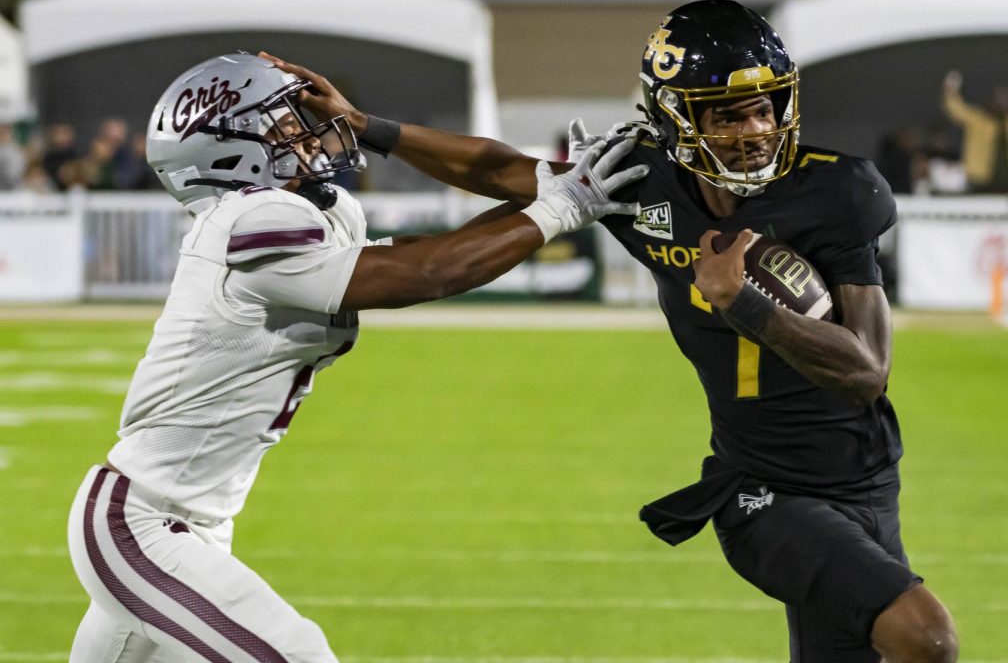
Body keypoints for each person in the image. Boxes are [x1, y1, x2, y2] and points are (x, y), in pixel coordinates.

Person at [269, 0, 958, 663]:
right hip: (762, 493)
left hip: (868, 482)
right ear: (671, 119)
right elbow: (499, 170)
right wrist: (364, 125)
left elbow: (866, 371)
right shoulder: (641, 182)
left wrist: (742, 303)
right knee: (924, 637)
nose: (750, 131)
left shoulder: (839, 191)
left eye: (761, 107)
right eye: (723, 116)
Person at [66, 52, 645, 661]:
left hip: (188, 524)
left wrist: (554, 191)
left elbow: (437, 249)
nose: (307, 131)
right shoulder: (248, 219)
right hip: (142, 523)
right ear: (226, 151)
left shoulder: (304, 215)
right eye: (281, 124)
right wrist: (561, 206)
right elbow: (427, 274)